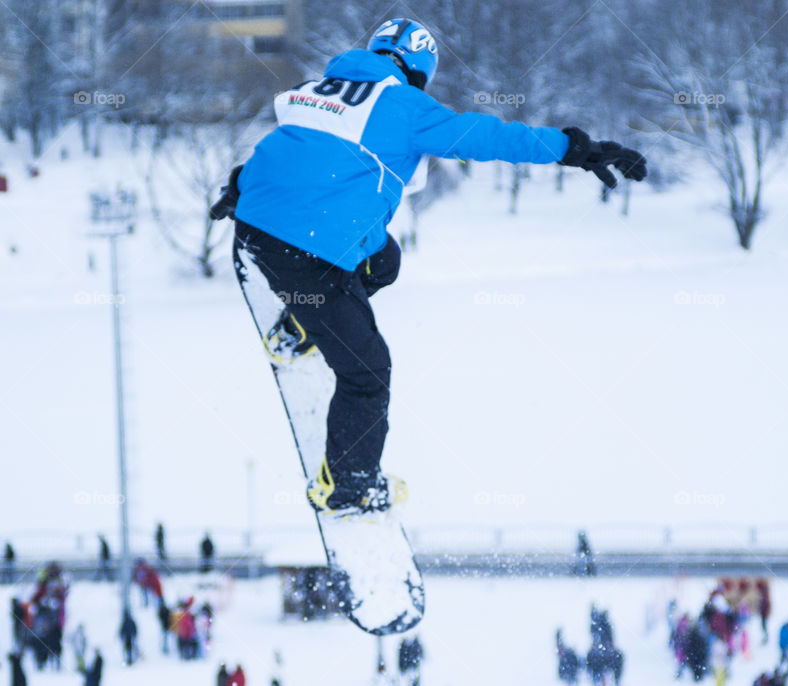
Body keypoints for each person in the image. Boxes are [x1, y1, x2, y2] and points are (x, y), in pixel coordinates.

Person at [220, 16, 646, 519]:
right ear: (420, 71)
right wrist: (574, 149)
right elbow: (487, 136)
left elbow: (290, 150)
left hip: (254, 229)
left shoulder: (316, 88)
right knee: (368, 374)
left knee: (384, 261)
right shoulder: (405, 106)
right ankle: (349, 488)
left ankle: (300, 326)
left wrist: (236, 188)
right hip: (307, 253)